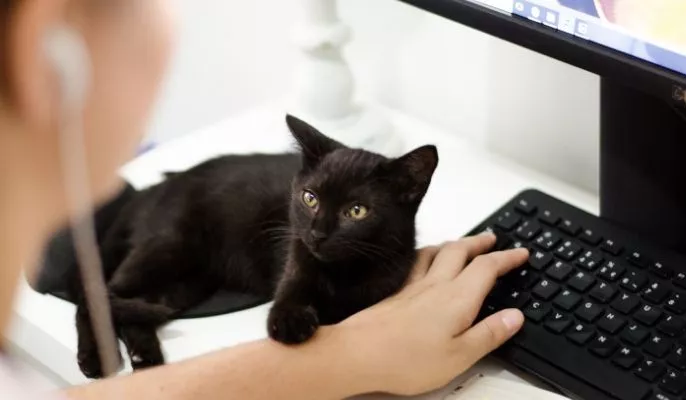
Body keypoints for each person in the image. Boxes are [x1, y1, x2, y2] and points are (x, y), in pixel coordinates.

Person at [0, 1, 528, 399]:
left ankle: (127, 316)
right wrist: (355, 357)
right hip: (201, 205)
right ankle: (105, 307)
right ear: (49, 49)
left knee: (177, 285)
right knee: (165, 257)